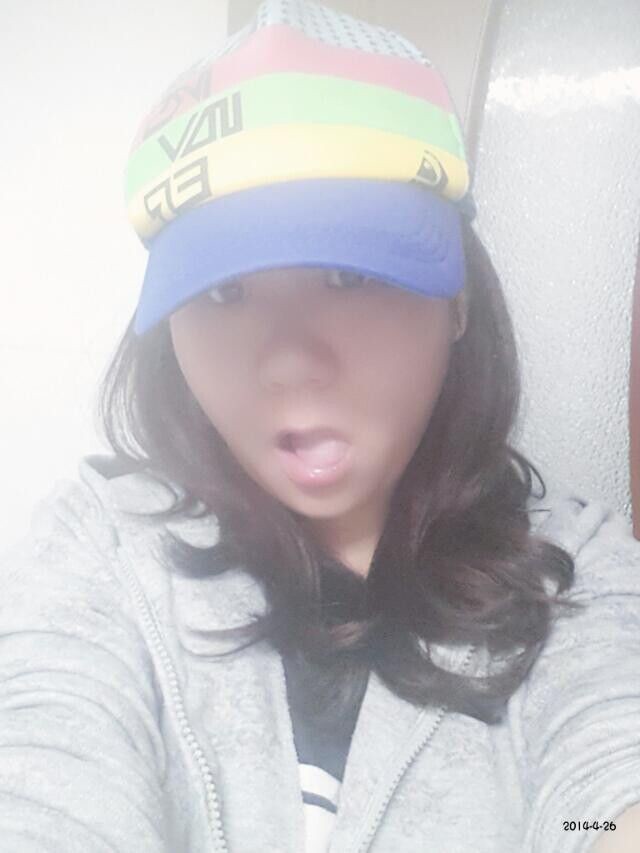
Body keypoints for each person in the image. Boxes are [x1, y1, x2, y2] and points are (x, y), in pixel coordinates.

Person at [1, 0, 640, 851]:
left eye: (348, 274)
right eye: (224, 290)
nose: (289, 363)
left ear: (457, 298)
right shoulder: (104, 552)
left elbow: (604, 794)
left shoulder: (578, 576)